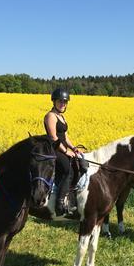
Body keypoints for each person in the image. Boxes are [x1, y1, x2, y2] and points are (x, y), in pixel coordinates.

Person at [44, 88, 81, 216]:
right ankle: (59, 204)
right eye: (60, 101)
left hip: (63, 149)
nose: (63, 104)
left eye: (65, 102)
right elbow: (54, 138)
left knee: (78, 166)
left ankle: (71, 200)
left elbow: (65, 136)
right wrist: (66, 152)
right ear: (54, 101)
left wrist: (73, 148)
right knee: (67, 169)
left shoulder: (61, 116)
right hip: (54, 149)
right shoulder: (51, 116)